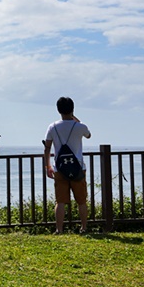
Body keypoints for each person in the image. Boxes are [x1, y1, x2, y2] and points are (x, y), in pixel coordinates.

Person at [43, 97, 91, 234]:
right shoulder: (80, 127)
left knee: (60, 201)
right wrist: (75, 118)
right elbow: (88, 135)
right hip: (78, 168)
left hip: (60, 169)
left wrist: (48, 167)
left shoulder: (52, 127)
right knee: (81, 201)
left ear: (58, 110)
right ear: (73, 108)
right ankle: (83, 228)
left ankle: (59, 229)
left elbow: (47, 148)